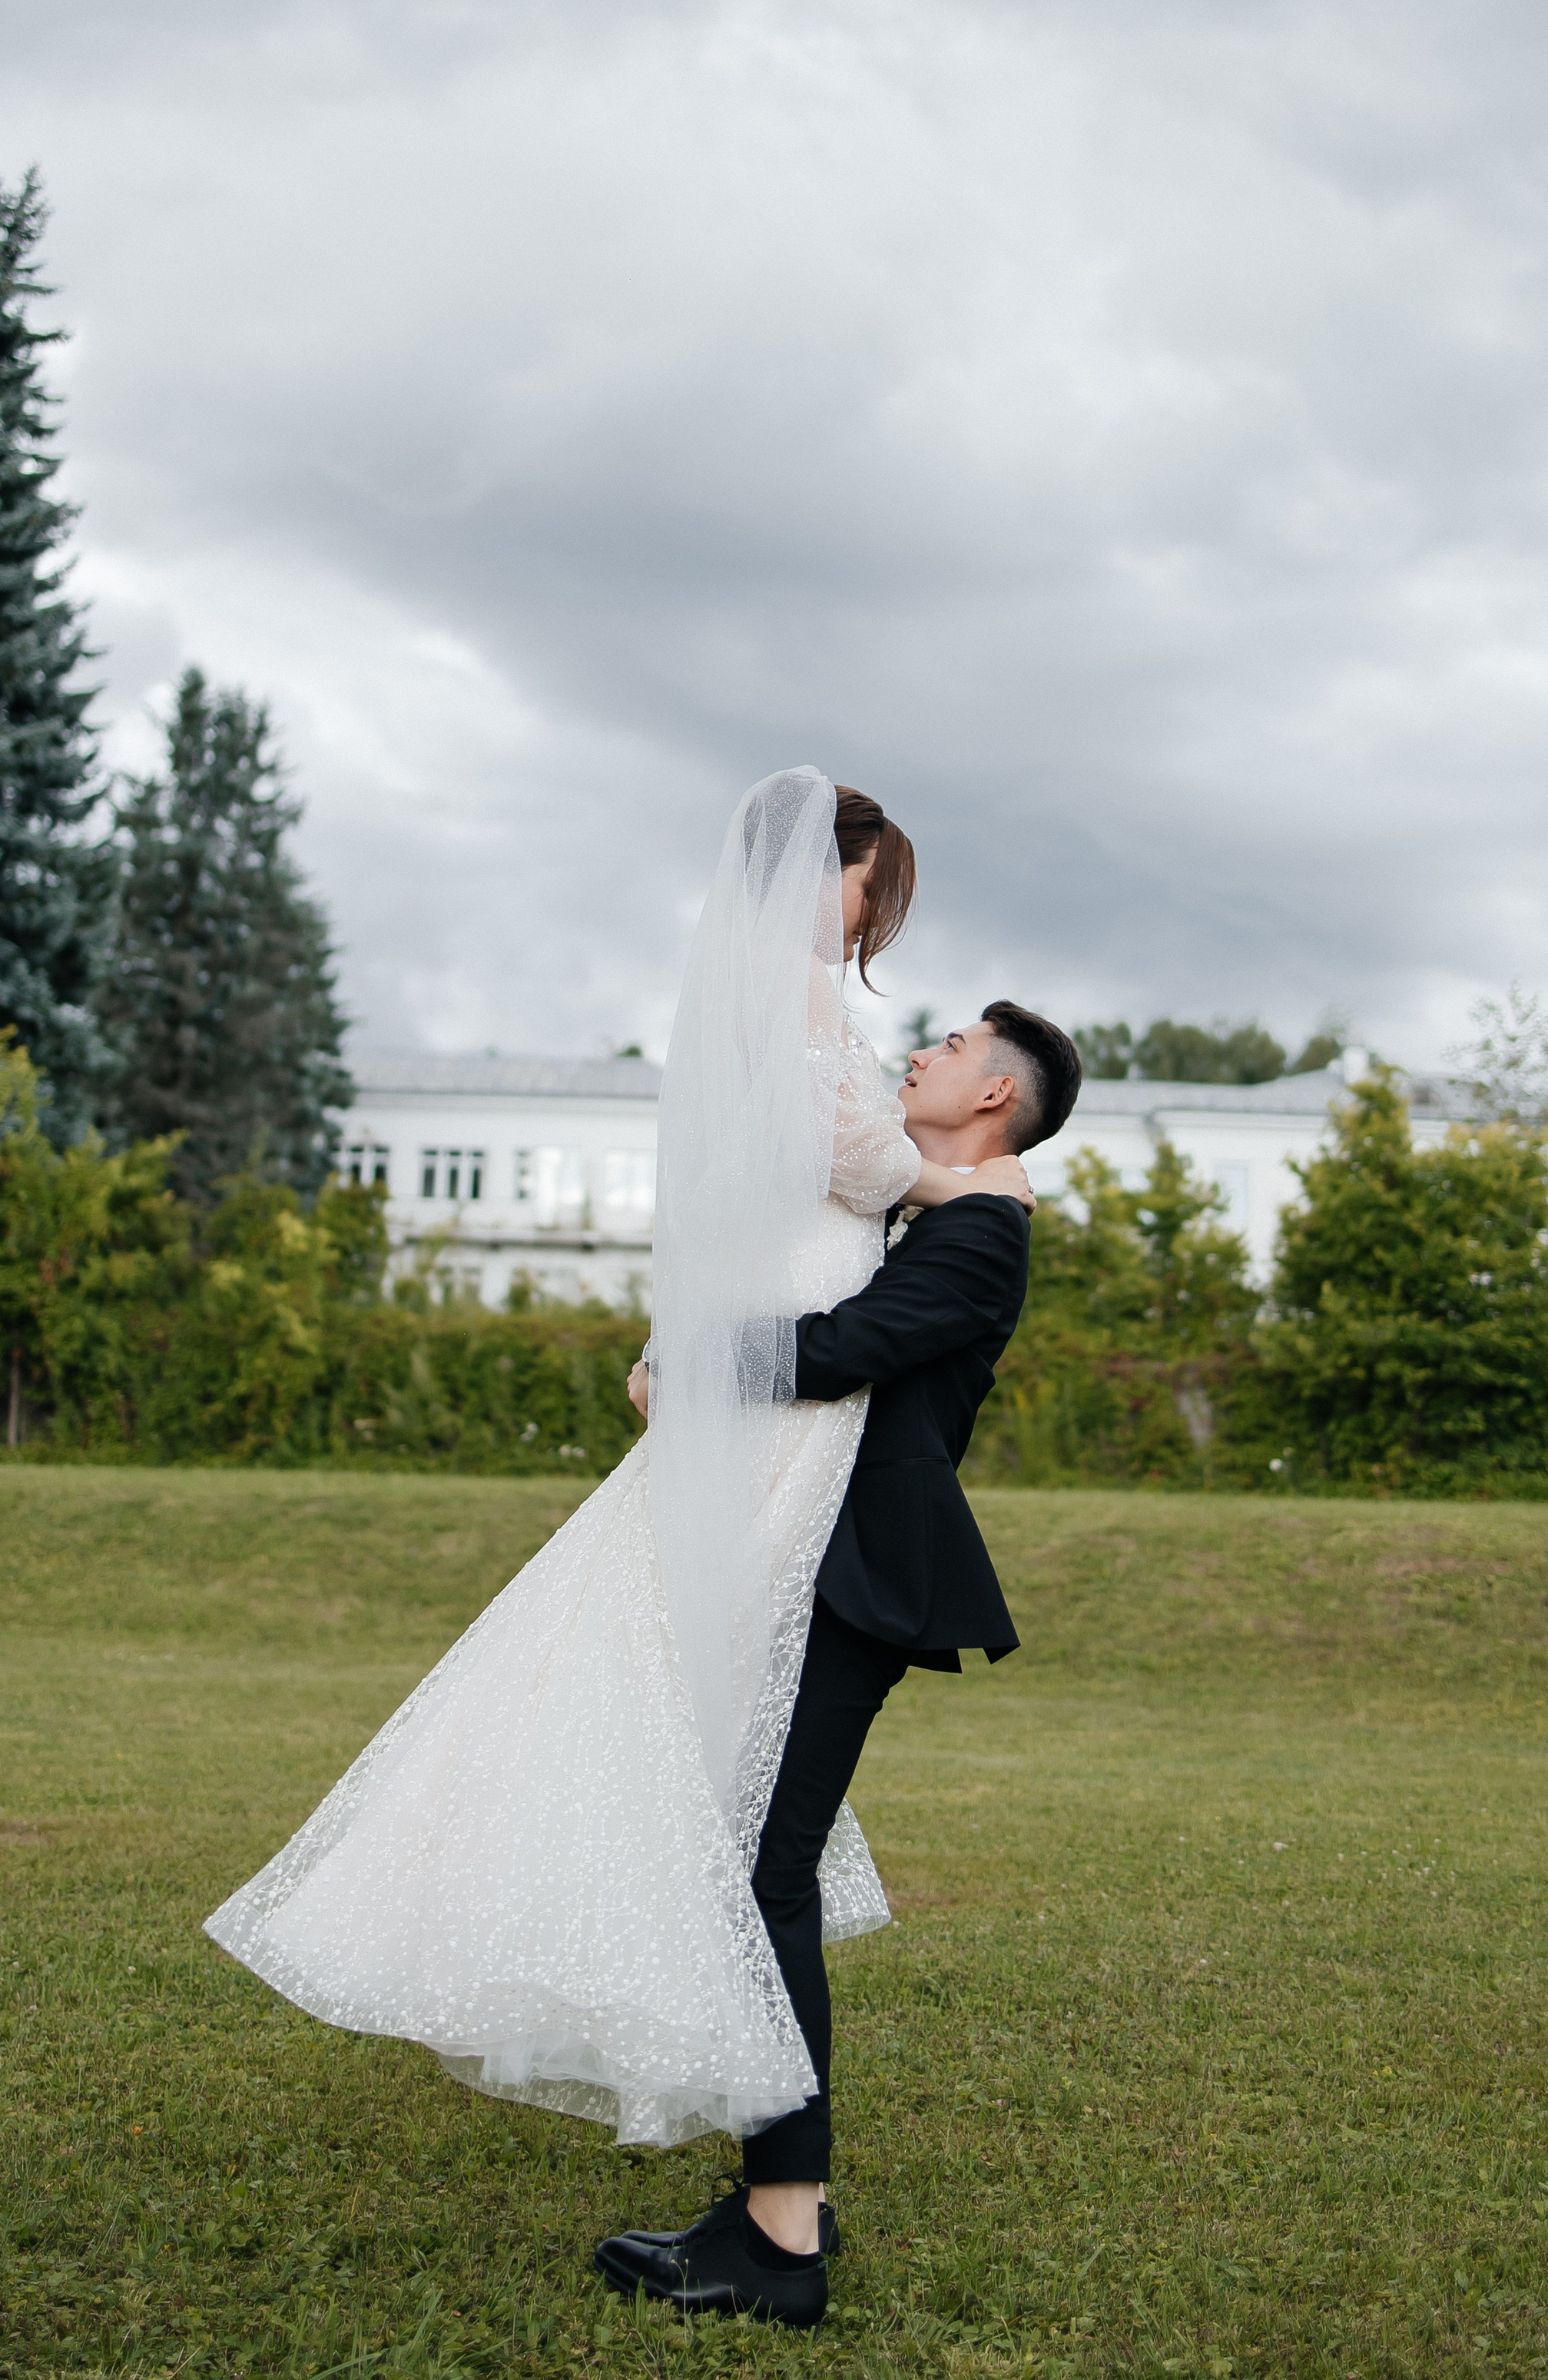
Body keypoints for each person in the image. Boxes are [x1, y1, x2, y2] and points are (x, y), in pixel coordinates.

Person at [203, 772, 1030, 2172]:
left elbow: (764, 1205)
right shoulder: (799, 998)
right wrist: (954, 1186)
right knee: (691, 1678)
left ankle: (757, 2140)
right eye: (863, 887)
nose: (864, 919)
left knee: (683, 1676)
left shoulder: (763, 998)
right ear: (811, 876)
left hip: (788, 1353)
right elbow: (844, 1153)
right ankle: (761, 2153)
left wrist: (700, 1339)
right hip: (791, 1366)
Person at [594, 997, 1082, 2328]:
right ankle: (772, 2197)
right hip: (811, 1557)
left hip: (863, 1578)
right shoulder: (943, 1206)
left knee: (767, 1871)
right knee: (756, 1862)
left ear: (995, 1100)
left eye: (956, 1051)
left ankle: (784, 2238)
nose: (923, 1052)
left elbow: (837, 1354)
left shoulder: (984, 1233)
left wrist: (686, 1363)